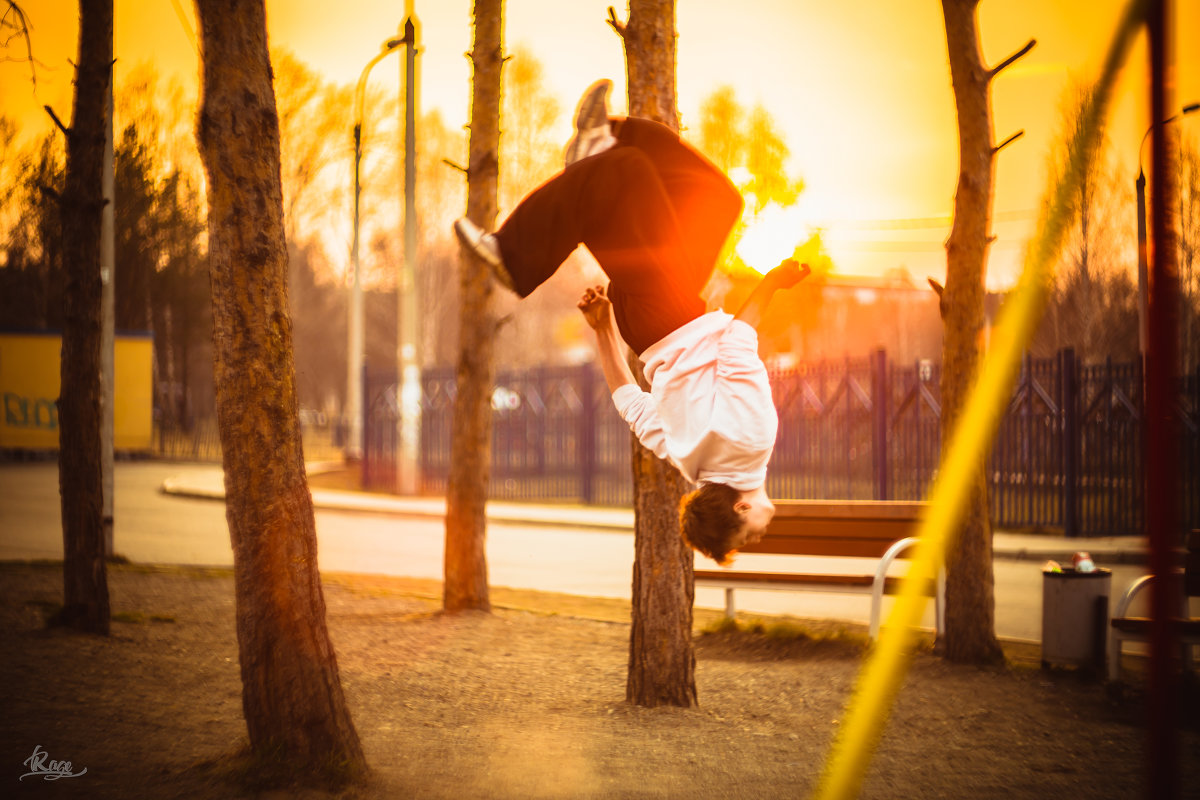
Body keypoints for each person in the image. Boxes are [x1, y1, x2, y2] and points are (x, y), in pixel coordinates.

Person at [454, 79, 808, 565]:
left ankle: (512, 255)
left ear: (743, 506)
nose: (759, 536)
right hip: (646, 325)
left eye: (749, 536)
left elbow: (738, 342)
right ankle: (604, 137)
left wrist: (773, 281)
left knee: (630, 177)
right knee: (715, 199)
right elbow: (630, 404)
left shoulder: (751, 441)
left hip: (671, 309)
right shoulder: (692, 465)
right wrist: (605, 330)